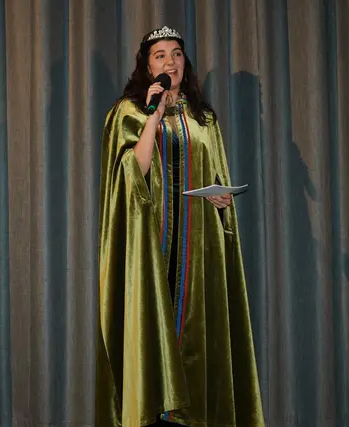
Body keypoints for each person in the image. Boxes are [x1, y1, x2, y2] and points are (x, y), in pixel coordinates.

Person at [96, 26, 264, 427]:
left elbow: (212, 172)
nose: (170, 62)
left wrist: (220, 199)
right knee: (152, 336)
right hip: (151, 249)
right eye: (160, 55)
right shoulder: (129, 112)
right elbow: (132, 173)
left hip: (196, 251)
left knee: (197, 342)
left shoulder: (203, 117)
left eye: (176, 54)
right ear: (146, 65)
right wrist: (153, 115)